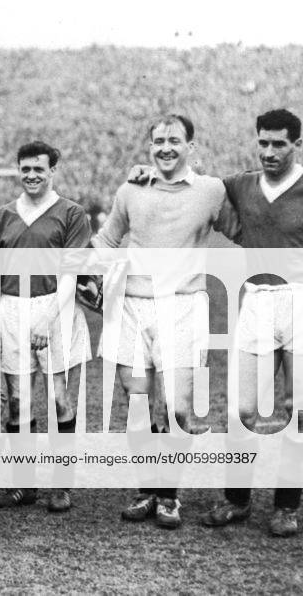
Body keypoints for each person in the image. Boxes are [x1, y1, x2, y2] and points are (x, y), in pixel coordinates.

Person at [197, 108, 303, 537]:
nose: (268, 151)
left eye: (278, 143)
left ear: (297, 144)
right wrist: (144, 172)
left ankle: (287, 507)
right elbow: (195, 187)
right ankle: (236, 500)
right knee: (241, 411)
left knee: (300, 410)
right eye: (263, 142)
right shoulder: (242, 185)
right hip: (259, 301)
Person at [93, 114, 236, 529]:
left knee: (177, 407)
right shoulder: (131, 189)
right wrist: (90, 278)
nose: (165, 148)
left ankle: (170, 497)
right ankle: (147, 490)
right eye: (158, 141)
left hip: (183, 306)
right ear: (149, 147)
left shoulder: (211, 191)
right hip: (132, 306)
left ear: (192, 145)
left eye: (174, 140)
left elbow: (243, 227)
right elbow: (105, 239)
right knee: (137, 403)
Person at [0, 140, 92, 513]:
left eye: (39, 169)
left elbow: (70, 273)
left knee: (60, 398)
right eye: (26, 169)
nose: (32, 175)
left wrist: (48, 321)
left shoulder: (72, 213)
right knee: (18, 402)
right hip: (12, 308)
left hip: (55, 307)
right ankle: (24, 485)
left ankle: (62, 486)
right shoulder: (2, 215)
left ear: (52, 171)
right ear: (18, 170)